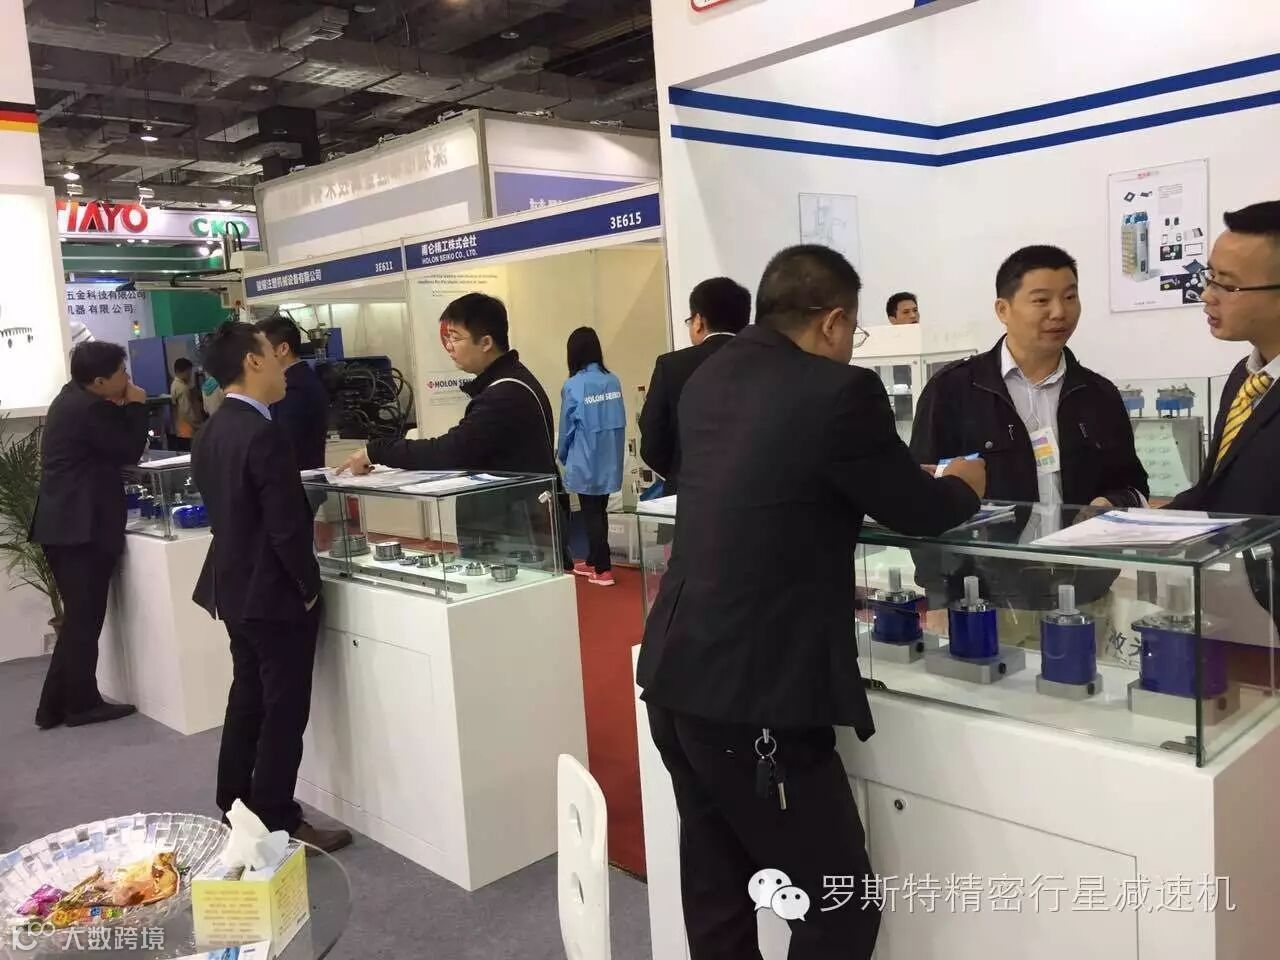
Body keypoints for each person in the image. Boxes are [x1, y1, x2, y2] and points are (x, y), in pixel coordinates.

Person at [637, 245, 985, 960]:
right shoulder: (840, 393)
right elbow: (919, 510)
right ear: (833, 322)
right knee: (840, 911)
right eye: (853, 328)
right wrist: (965, 484)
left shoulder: (707, 376)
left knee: (719, 892)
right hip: (756, 698)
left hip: (677, 675)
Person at [910, 245, 1148, 645]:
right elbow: (922, 496)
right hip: (982, 600)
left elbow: (1133, 483)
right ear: (1003, 309)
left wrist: (1110, 503)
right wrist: (939, 596)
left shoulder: (1098, 394)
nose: (1060, 312)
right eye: (1042, 300)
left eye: (1070, 297)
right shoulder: (954, 390)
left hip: (1083, 595)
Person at [192, 321, 351, 853]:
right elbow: (285, 527)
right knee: (283, 711)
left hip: (233, 587)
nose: (283, 365)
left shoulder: (213, 429)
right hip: (274, 594)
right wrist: (308, 586)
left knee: (248, 699)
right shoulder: (263, 434)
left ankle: (234, 803)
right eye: (271, 353)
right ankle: (277, 819)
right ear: (253, 361)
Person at [336, 293, 569, 566]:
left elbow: (449, 451)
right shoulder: (511, 381)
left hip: (517, 535)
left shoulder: (504, 394)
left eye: (456, 338)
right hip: (511, 526)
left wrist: (377, 450)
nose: (449, 346)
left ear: (486, 343)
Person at [29, 341, 148, 729]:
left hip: (64, 525)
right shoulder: (90, 408)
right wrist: (136, 405)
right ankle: (81, 705)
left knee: (79, 620)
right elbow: (128, 449)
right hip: (81, 529)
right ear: (99, 381)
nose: (126, 378)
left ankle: (53, 706)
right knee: (84, 621)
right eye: (121, 372)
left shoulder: (70, 399)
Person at [1170, 201, 1280, 515]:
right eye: (1210, 276)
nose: (1206, 295)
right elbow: (1212, 493)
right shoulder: (1243, 379)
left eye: (1228, 285)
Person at [639, 277, 751, 497]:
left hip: (688, 495)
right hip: (752, 495)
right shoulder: (767, 363)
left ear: (698, 321)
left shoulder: (671, 366)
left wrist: (678, 471)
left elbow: (652, 439)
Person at [558, 328, 626, 587]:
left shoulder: (573, 385)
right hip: (610, 457)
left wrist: (562, 454)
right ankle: (594, 558)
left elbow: (566, 427)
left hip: (585, 458)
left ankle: (603, 569)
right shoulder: (613, 381)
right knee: (600, 510)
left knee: (591, 513)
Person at [255, 314, 330, 470]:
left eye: (260, 350)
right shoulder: (297, 380)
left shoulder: (295, 388)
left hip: (298, 479)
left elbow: (284, 444)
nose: (255, 357)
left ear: (283, 349)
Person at [169, 357, 204, 448]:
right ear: (183, 371)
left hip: (181, 429)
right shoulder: (182, 388)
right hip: (187, 429)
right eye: (189, 372)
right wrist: (198, 425)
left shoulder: (176, 385)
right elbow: (187, 411)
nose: (190, 375)